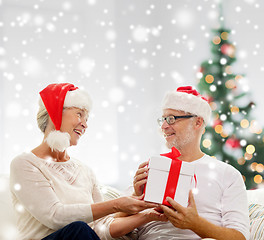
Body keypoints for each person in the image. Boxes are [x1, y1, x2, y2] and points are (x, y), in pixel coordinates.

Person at [9, 83, 167, 240]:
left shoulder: (85, 171)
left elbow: (100, 228)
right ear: (54, 113)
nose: (85, 124)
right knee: (79, 229)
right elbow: (55, 217)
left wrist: (148, 215)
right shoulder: (24, 164)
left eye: (87, 118)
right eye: (79, 114)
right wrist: (117, 204)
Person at [133, 86, 250, 240]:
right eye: (163, 119)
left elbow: (240, 237)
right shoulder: (152, 167)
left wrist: (195, 224)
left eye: (171, 119)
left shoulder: (227, 174)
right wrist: (136, 195)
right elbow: (113, 221)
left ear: (197, 123)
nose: (164, 126)